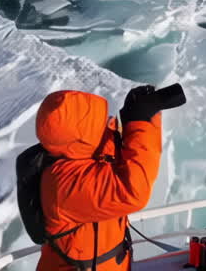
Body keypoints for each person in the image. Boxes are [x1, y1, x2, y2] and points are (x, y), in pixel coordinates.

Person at [35, 86, 164, 271]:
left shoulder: (79, 156)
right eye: (95, 121)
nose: (105, 122)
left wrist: (142, 115)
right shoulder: (65, 183)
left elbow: (123, 160)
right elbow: (132, 192)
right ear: (80, 132)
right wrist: (140, 124)